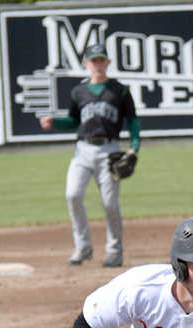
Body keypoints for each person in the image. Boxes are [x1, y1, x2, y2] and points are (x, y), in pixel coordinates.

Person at [40, 43, 141, 268]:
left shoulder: (120, 90)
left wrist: (134, 147)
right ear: (86, 64)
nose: (97, 64)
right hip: (82, 151)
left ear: (108, 63)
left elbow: (133, 120)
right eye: (93, 60)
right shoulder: (79, 92)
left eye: (101, 60)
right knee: (73, 195)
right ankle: (82, 248)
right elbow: (74, 122)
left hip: (110, 150)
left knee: (110, 204)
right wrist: (54, 122)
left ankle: (115, 253)